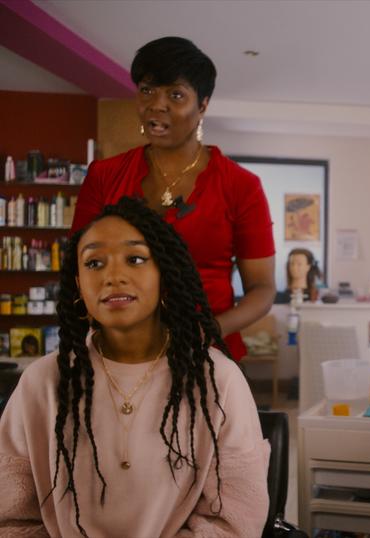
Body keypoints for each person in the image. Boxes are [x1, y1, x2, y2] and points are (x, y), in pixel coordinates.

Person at [0, 197, 269, 536]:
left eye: (136, 259)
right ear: (78, 284)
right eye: (94, 263)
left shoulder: (218, 380)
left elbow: (234, 522)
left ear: (164, 275)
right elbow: (10, 519)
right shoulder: (42, 382)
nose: (113, 276)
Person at [71, 36, 275, 360]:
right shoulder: (104, 176)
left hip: (206, 357)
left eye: (176, 94)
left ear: (203, 105)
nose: (157, 104)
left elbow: (262, 289)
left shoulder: (241, 186)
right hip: (119, 355)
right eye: (147, 90)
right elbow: (78, 266)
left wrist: (210, 329)